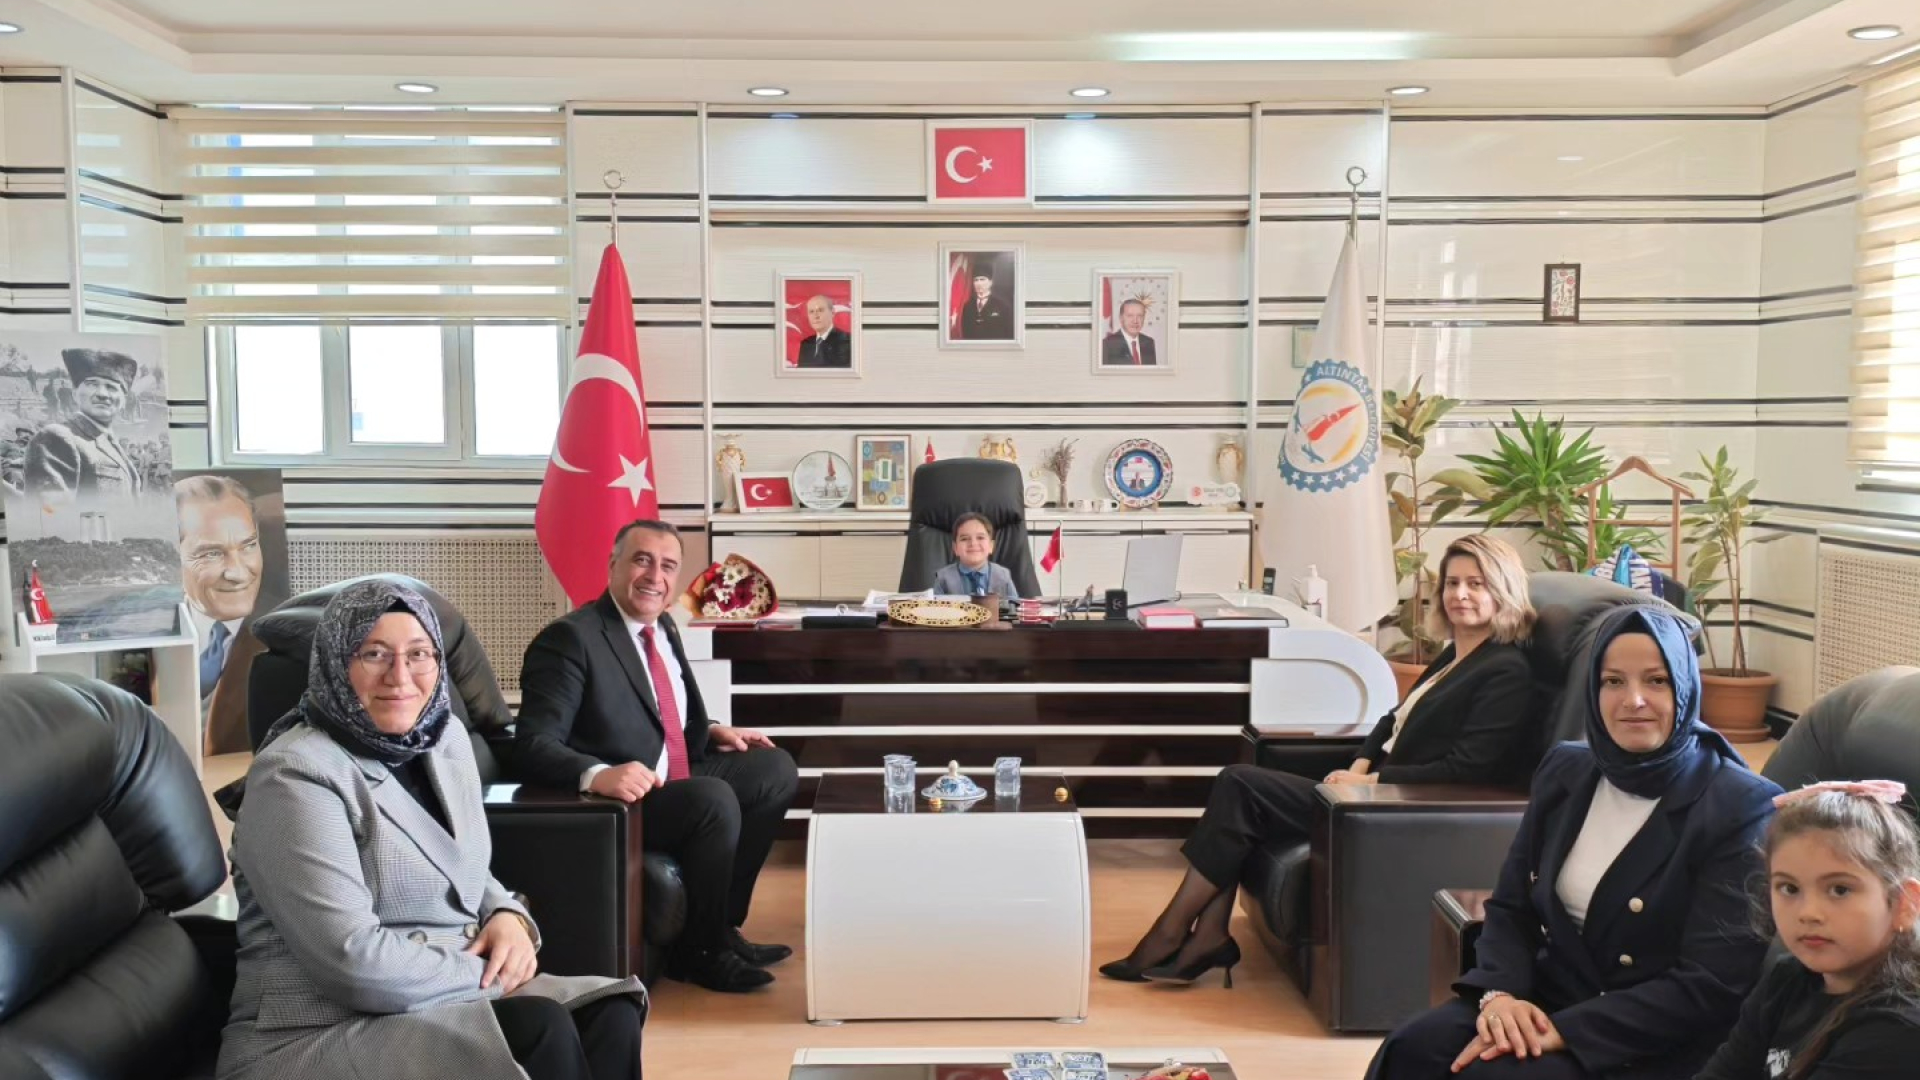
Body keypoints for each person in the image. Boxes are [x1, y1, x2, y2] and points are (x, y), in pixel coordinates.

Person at [217, 580, 645, 1080]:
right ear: (335, 661)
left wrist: (507, 914)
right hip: (320, 1030)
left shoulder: (443, 738)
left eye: (419, 654)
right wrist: (492, 975)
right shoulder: (295, 775)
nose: (400, 676)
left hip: (435, 994)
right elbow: (352, 962)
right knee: (538, 1026)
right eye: (374, 653)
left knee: (610, 1011)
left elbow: (462, 866)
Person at [1364, 605, 1783, 1080]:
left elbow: (1710, 984)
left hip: (1646, 1032)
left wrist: (1564, 1031)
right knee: (1411, 1049)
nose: (1634, 700)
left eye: (1657, 681)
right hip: (1547, 995)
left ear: (1686, 688)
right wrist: (1500, 996)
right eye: (1613, 681)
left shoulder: (1740, 804)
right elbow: (1511, 906)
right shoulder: (1567, 769)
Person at [1102, 534, 1540, 985]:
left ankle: (1176, 933)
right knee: (1240, 795)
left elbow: (1468, 769)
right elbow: (1391, 720)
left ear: (1502, 591)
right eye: (1452, 583)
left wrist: (1371, 784)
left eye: (1476, 584)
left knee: (1240, 784)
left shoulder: (1506, 671)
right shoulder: (1457, 653)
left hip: (1396, 806)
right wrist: (1359, 766)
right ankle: (1203, 936)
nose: (1460, 594)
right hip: (1374, 787)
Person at [516, 519, 799, 994]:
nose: (655, 576)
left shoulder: (661, 626)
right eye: (642, 560)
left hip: (673, 773)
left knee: (774, 768)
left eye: (668, 566)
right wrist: (596, 774)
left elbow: (660, 709)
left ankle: (722, 928)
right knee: (713, 798)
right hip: (621, 801)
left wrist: (711, 730)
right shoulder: (570, 639)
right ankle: (699, 953)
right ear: (613, 565)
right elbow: (531, 744)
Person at [1694, 780, 1920, 1080]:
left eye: (1840, 890)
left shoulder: (1898, 1029)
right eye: (1789, 888)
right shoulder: (1787, 978)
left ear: (1905, 903)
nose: (1808, 913)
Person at [177, 474, 267, 756]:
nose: (238, 573)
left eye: (248, 546)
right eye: (212, 554)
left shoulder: (284, 637)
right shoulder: (140, 632)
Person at [25, 348, 142, 496]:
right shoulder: (57, 436)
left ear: (124, 401)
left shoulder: (110, 442)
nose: (102, 394)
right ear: (74, 394)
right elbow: (50, 508)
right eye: (92, 384)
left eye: (111, 387)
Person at [930, 512, 1021, 602]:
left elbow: (1015, 607)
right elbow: (935, 609)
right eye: (964, 539)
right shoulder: (943, 579)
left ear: (991, 546)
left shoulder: (1003, 576)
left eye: (980, 538)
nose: (973, 543)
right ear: (955, 548)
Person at [795, 294, 851, 368]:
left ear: (832, 312)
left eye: (820, 310)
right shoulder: (806, 344)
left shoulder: (848, 340)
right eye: (811, 311)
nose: (816, 316)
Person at [957, 269, 1014, 339]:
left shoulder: (1002, 306)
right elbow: (965, 332)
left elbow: (1008, 333)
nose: (979, 283)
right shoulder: (968, 306)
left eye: (982, 279)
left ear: (990, 282)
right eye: (976, 280)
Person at [1101, 298, 1159, 366]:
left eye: (1140, 316)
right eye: (1130, 316)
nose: (1135, 321)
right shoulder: (1107, 345)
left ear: (1144, 318)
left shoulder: (1149, 342)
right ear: (1121, 318)